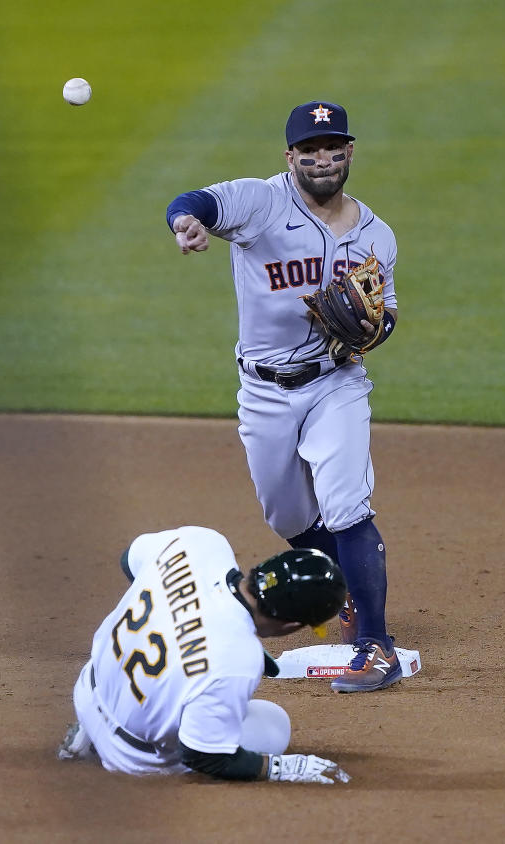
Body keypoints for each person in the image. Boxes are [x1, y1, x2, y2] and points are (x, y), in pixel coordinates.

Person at [165, 101, 402, 694]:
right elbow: (194, 202)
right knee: (287, 515)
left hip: (336, 382)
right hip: (264, 390)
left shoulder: (378, 235)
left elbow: (388, 312)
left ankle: (376, 644)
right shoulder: (262, 201)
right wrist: (185, 225)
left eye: (334, 148)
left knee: (347, 504)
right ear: (291, 157)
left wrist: (375, 327)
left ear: (349, 153)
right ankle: (343, 586)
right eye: (310, 151)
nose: (323, 159)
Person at [57, 525, 350, 784]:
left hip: (88, 690)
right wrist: (277, 768)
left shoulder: (201, 543)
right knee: (274, 726)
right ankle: (102, 746)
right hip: (130, 756)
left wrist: (179, 619)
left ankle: (88, 733)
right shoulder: (237, 660)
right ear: (291, 625)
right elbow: (204, 757)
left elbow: (129, 561)